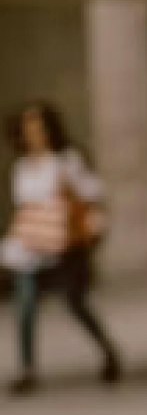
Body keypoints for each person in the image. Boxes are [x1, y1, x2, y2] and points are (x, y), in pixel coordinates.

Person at [4, 101, 121, 396]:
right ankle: (27, 368)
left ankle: (108, 352)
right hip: (32, 249)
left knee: (76, 303)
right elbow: (23, 208)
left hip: (65, 247)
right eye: (27, 128)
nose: (33, 134)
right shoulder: (21, 168)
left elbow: (92, 195)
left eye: (38, 127)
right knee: (26, 303)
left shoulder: (67, 161)